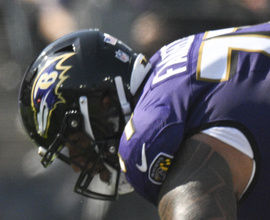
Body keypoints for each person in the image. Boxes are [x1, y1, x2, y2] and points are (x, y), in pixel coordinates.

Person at [18, 26, 270, 219]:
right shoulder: (170, 60)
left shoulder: (146, 135)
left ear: (104, 103)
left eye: (74, 141)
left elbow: (196, 203)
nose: (77, 163)